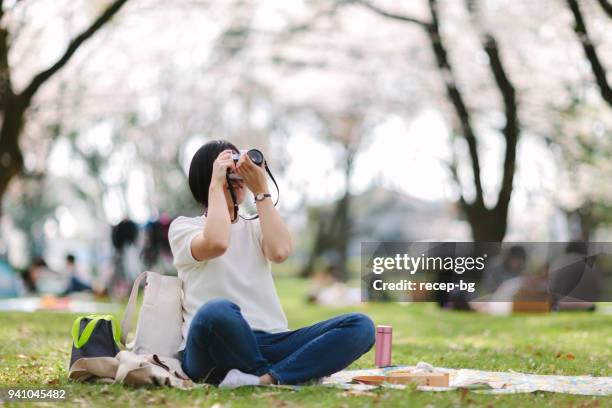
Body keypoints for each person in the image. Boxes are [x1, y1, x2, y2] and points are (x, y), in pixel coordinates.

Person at [168, 140, 374, 388]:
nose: (236, 175)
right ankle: (283, 373)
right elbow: (217, 243)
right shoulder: (184, 228)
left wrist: (261, 189)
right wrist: (216, 183)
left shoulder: (256, 226)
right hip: (210, 348)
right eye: (229, 169)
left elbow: (280, 252)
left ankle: (265, 379)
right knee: (217, 310)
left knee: (361, 326)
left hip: (269, 342)